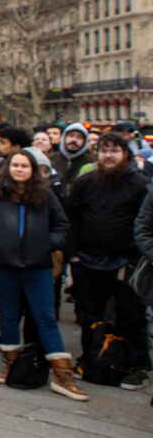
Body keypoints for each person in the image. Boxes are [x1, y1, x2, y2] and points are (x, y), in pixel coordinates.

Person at [0, 149, 82, 399]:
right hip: (3, 265)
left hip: (37, 266)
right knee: (9, 315)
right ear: (8, 168)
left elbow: (62, 226)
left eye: (24, 166)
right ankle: (11, 363)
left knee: (46, 317)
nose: (19, 169)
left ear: (33, 170)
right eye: (15, 165)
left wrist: (46, 243)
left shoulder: (45, 195)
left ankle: (62, 374)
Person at [65, 132, 150, 389]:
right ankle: (90, 357)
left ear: (125, 154)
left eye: (114, 151)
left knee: (130, 314)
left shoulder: (139, 184)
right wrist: (74, 255)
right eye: (104, 150)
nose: (108, 155)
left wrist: (137, 258)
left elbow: (145, 223)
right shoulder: (85, 182)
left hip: (126, 261)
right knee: (91, 313)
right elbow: (71, 220)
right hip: (88, 260)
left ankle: (137, 366)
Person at [51, 123, 92, 189]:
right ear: (64, 137)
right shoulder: (50, 159)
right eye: (71, 136)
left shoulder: (91, 162)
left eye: (79, 137)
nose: (74, 140)